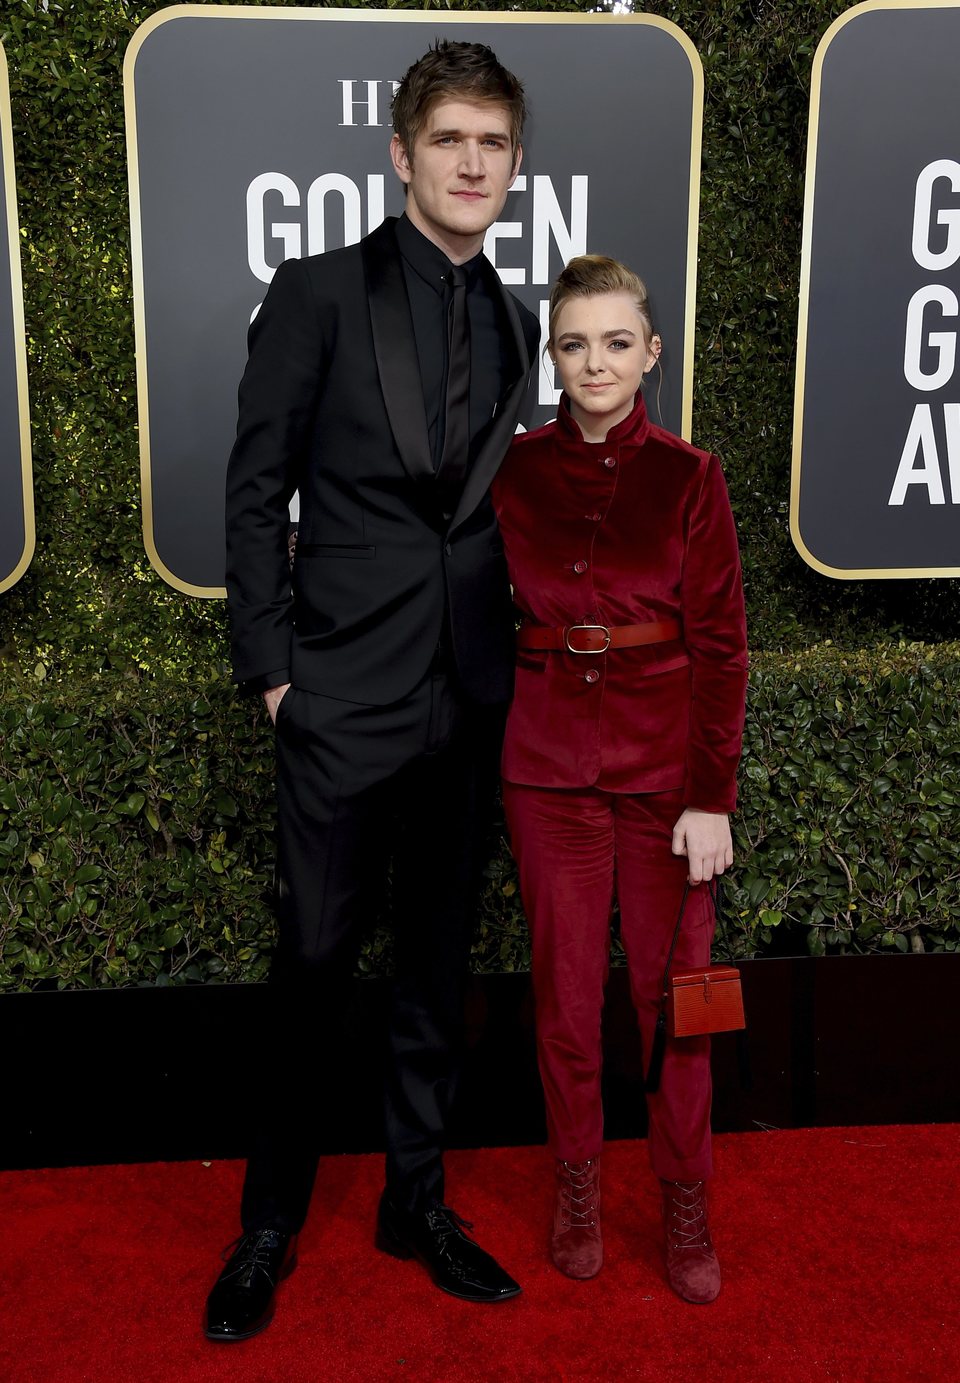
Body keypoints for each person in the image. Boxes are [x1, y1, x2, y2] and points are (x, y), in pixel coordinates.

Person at [207, 40, 540, 1341]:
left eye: (494, 144)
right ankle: (270, 1221)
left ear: (512, 165)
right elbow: (251, 489)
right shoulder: (317, 292)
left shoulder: (516, 319)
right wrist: (278, 671)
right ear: (403, 153)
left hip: (469, 693)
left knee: (437, 962)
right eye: (450, 139)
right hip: (339, 692)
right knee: (312, 959)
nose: (472, 163)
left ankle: (416, 1198)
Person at [491, 255, 748, 1304]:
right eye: (571, 343)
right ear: (552, 357)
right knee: (563, 1005)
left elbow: (724, 646)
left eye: (613, 341)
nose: (593, 362)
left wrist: (711, 798)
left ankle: (685, 1203)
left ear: (649, 352)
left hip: (665, 784)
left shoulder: (692, 477)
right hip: (547, 772)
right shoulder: (509, 472)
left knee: (678, 1005)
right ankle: (579, 1191)